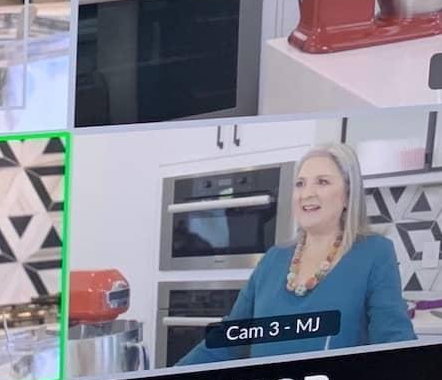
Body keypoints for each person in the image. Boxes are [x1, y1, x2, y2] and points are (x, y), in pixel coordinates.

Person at [178, 144, 416, 365]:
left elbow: (393, 338)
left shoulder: (374, 253)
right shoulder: (273, 259)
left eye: (322, 182)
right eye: (300, 184)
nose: (306, 194)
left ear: (347, 195)